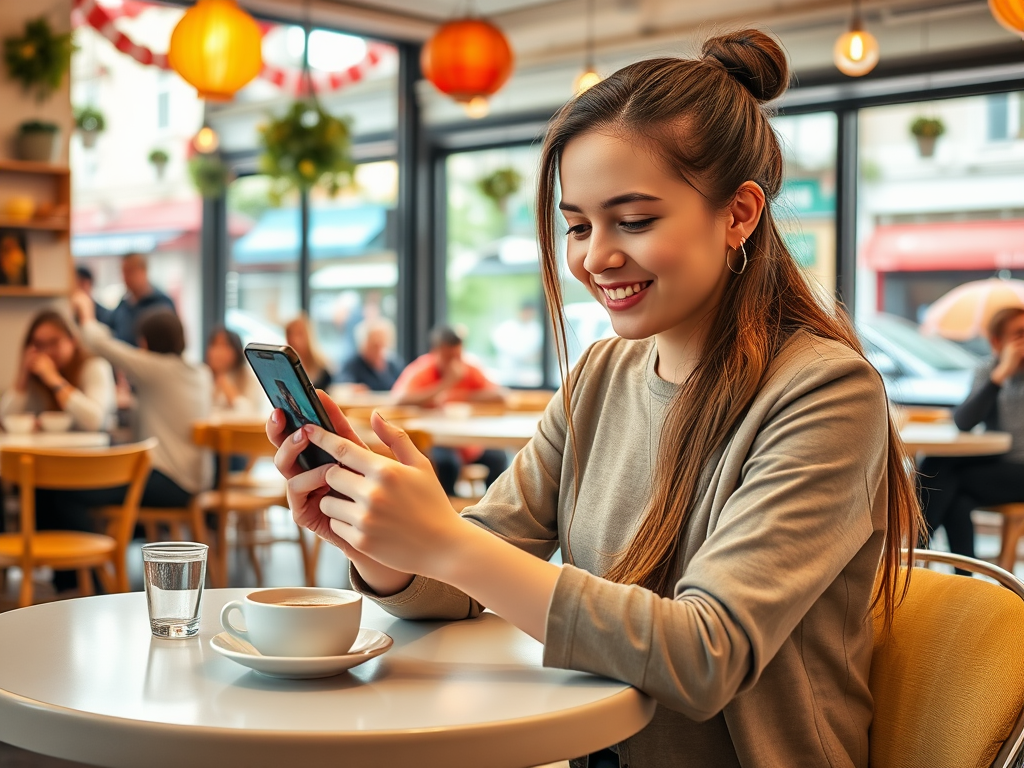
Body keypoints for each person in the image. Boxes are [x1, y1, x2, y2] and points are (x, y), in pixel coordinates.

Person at [268, 31, 922, 768]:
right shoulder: (600, 376)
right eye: (577, 224)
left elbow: (707, 655)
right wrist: (387, 544)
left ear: (739, 214)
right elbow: (471, 573)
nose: (594, 256)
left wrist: (449, 543)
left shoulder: (826, 392)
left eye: (634, 221)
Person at [38, 293, 214, 582]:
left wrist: (86, 314)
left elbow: (102, 345)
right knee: (74, 488)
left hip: (169, 480)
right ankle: (74, 577)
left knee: (66, 489)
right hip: (194, 479)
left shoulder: (157, 369)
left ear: (145, 343)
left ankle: (89, 580)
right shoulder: (199, 372)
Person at [920, 306, 1024, 565]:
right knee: (950, 487)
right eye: (1019, 335)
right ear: (996, 342)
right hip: (998, 464)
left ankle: (916, 552)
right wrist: (998, 377)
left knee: (942, 473)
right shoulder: (988, 371)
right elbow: (964, 421)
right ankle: (964, 579)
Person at [391, 324, 508, 495]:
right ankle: (449, 513)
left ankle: (490, 512)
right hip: (437, 441)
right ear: (434, 352)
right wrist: (446, 383)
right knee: (447, 464)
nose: (454, 362)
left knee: (498, 458)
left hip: (468, 442)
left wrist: (462, 395)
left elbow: (501, 396)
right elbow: (398, 400)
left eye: (458, 355)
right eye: (448, 357)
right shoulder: (423, 370)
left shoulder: (468, 368)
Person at [0, 310, 115, 432]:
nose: (47, 351)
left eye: (54, 342)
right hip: (46, 449)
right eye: (39, 345)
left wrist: (54, 380)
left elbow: (95, 422)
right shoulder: (36, 376)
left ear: (73, 340)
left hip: (93, 449)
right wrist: (22, 378)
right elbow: (5, 422)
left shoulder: (95, 366)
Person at [106, 252, 177, 346]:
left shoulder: (161, 304)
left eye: (129, 271)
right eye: (123, 272)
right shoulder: (123, 304)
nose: (125, 278)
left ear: (143, 271)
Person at [205, 325, 264, 416]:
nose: (218, 351)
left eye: (224, 345)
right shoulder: (202, 376)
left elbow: (253, 415)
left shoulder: (249, 378)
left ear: (236, 350)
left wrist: (227, 388)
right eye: (214, 345)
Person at [338, 318, 403, 392]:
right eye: (374, 344)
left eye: (382, 343)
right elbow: (341, 386)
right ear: (363, 344)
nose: (378, 349)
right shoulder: (352, 365)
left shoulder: (393, 365)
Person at [285, 313, 332, 390]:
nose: (293, 339)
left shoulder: (323, 370)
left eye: (299, 334)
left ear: (308, 335)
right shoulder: (284, 365)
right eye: (289, 334)